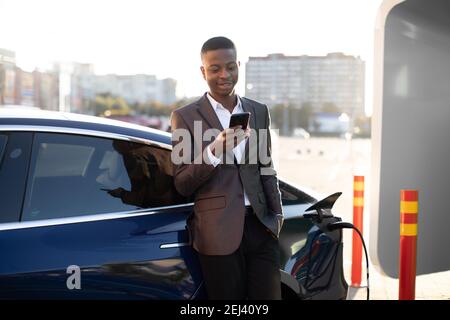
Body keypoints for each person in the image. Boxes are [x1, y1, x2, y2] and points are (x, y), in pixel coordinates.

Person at [170, 36, 284, 300]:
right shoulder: (184, 117)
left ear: (238, 66)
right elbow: (182, 182)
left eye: (231, 67)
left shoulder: (258, 110)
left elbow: (266, 168)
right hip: (217, 233)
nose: (225, 75)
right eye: (215, 68)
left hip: (261, 228)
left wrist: (275, 218)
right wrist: (214, 150)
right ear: (203, 71)